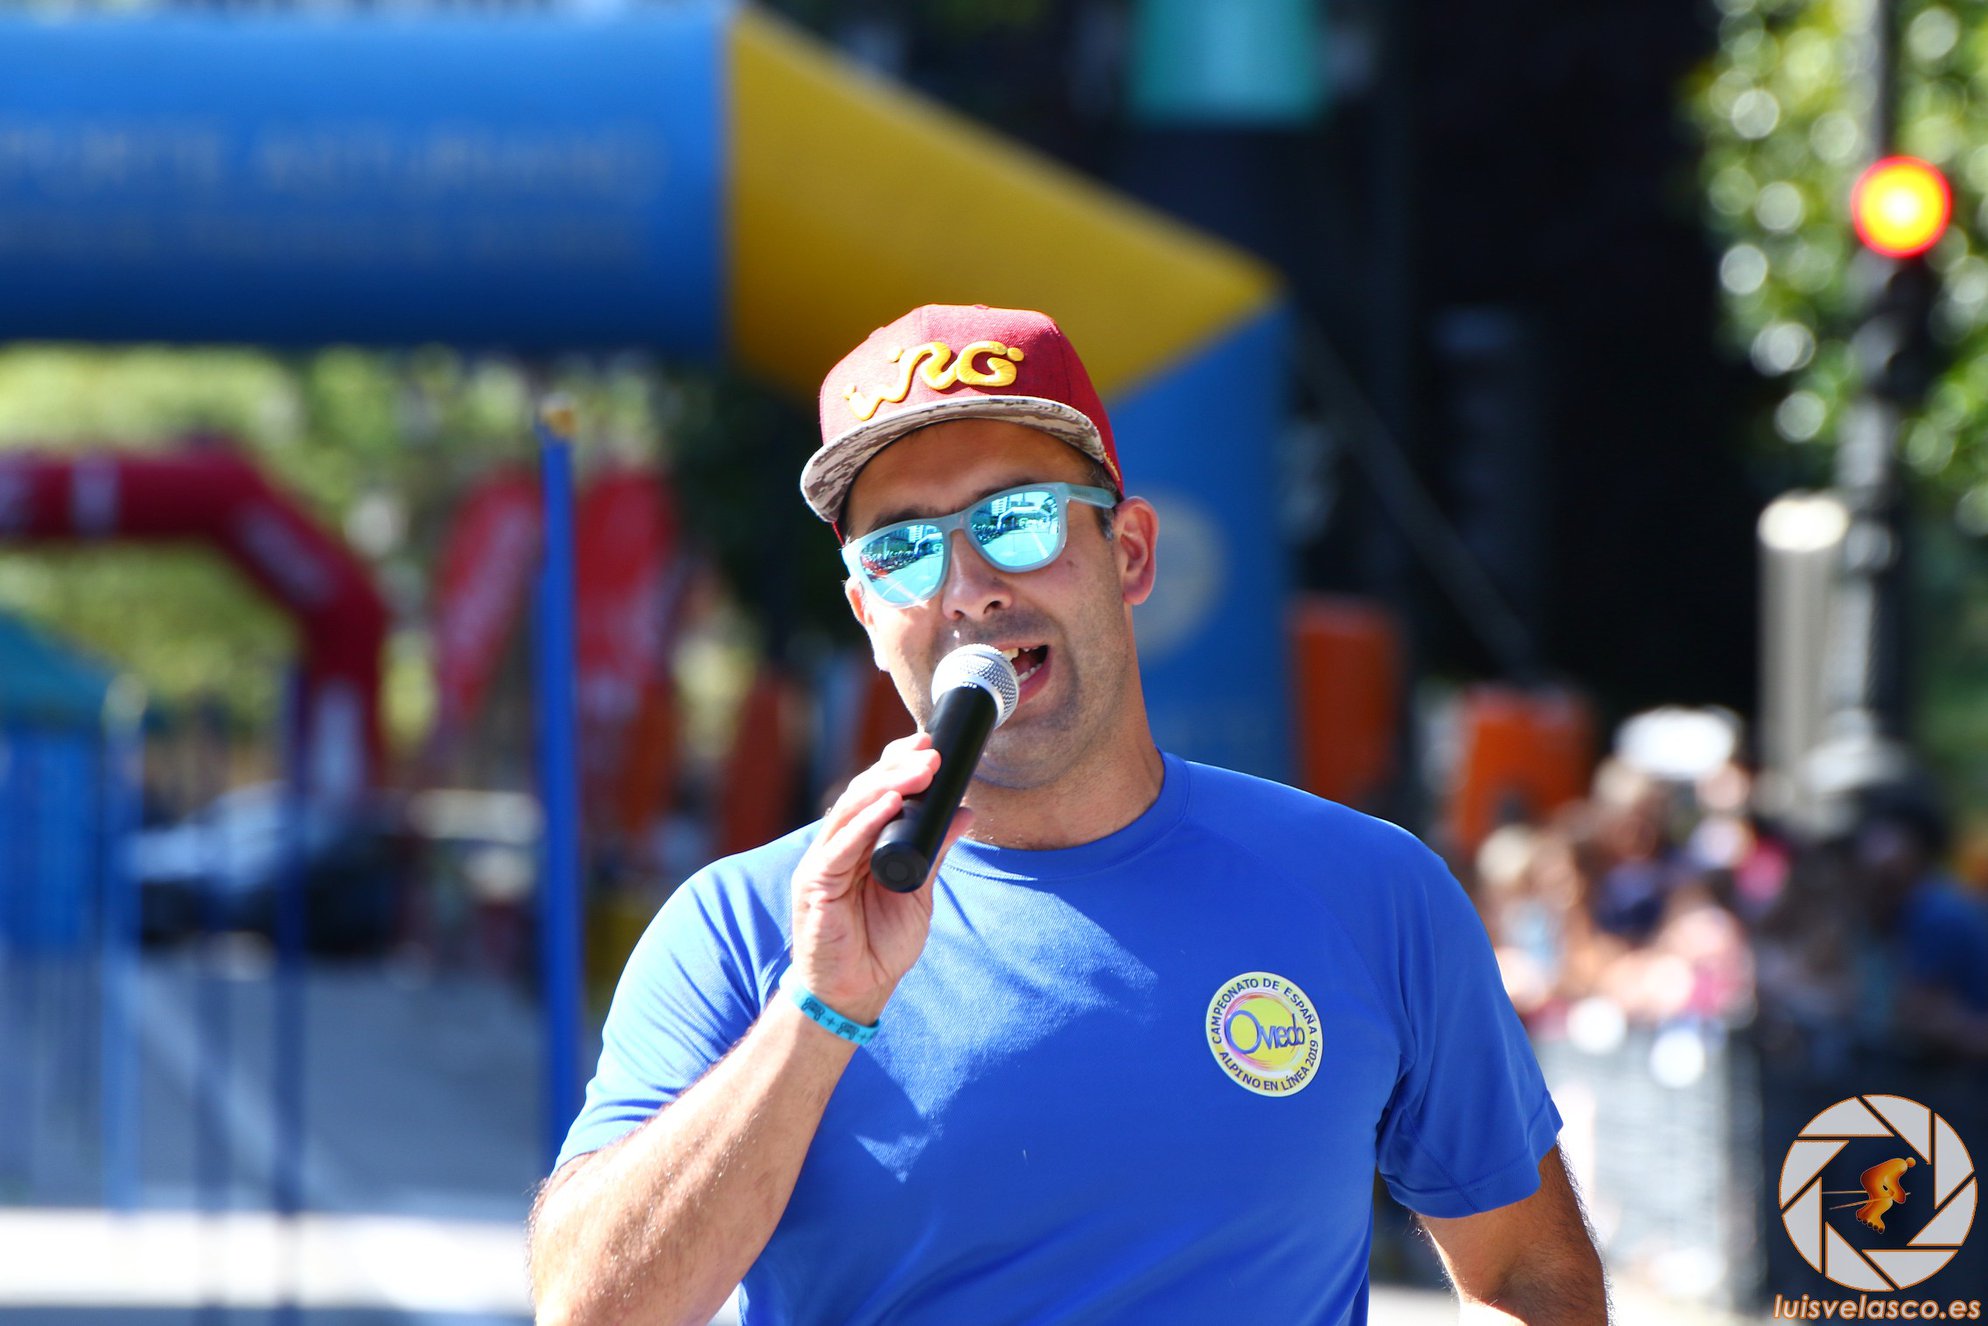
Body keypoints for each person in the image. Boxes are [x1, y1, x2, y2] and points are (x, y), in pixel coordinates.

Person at [527, 304, 1607, 1324]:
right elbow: (588, 1310)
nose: (968, 587)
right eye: (903, 549)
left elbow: (1528, 1268)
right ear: (866, 613)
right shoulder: (743, 925)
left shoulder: (1371, 891)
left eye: (1017, 519)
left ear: (1128, 554)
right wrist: (816, 1012)